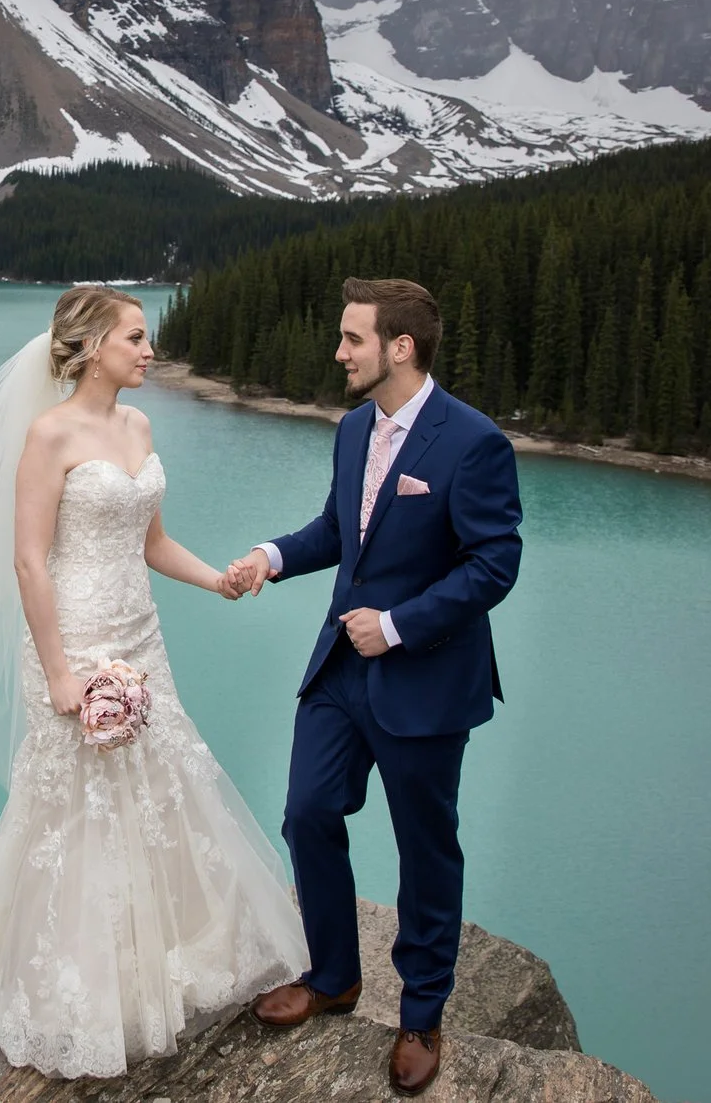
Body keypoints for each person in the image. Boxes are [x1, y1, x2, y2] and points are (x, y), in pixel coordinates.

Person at [0, 284, 307, 1079]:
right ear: (90, 346)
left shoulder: (140, 425)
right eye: (137, 337)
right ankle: (62, 985)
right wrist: (58, 672)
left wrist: (216, 579)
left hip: (140, 634)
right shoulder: (48, 436)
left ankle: (151, 961)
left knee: (160, 787)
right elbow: (27, 559)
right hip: (73, 639)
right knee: (70, 808)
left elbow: (151, 542)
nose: (151, 351)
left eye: (148, 339)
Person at [222, 276, 524, 1097]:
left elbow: (495, 563)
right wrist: (271, 558)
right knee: (308, 810)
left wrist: (396, 625)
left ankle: (421, 1012)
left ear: (400, 346)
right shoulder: (355, 428)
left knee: (426, 850)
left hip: (426, 678)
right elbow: (339, 529)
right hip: (339, 669)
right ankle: (334, 976)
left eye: (352, 338)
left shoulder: (474, 441)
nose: (338, 351)